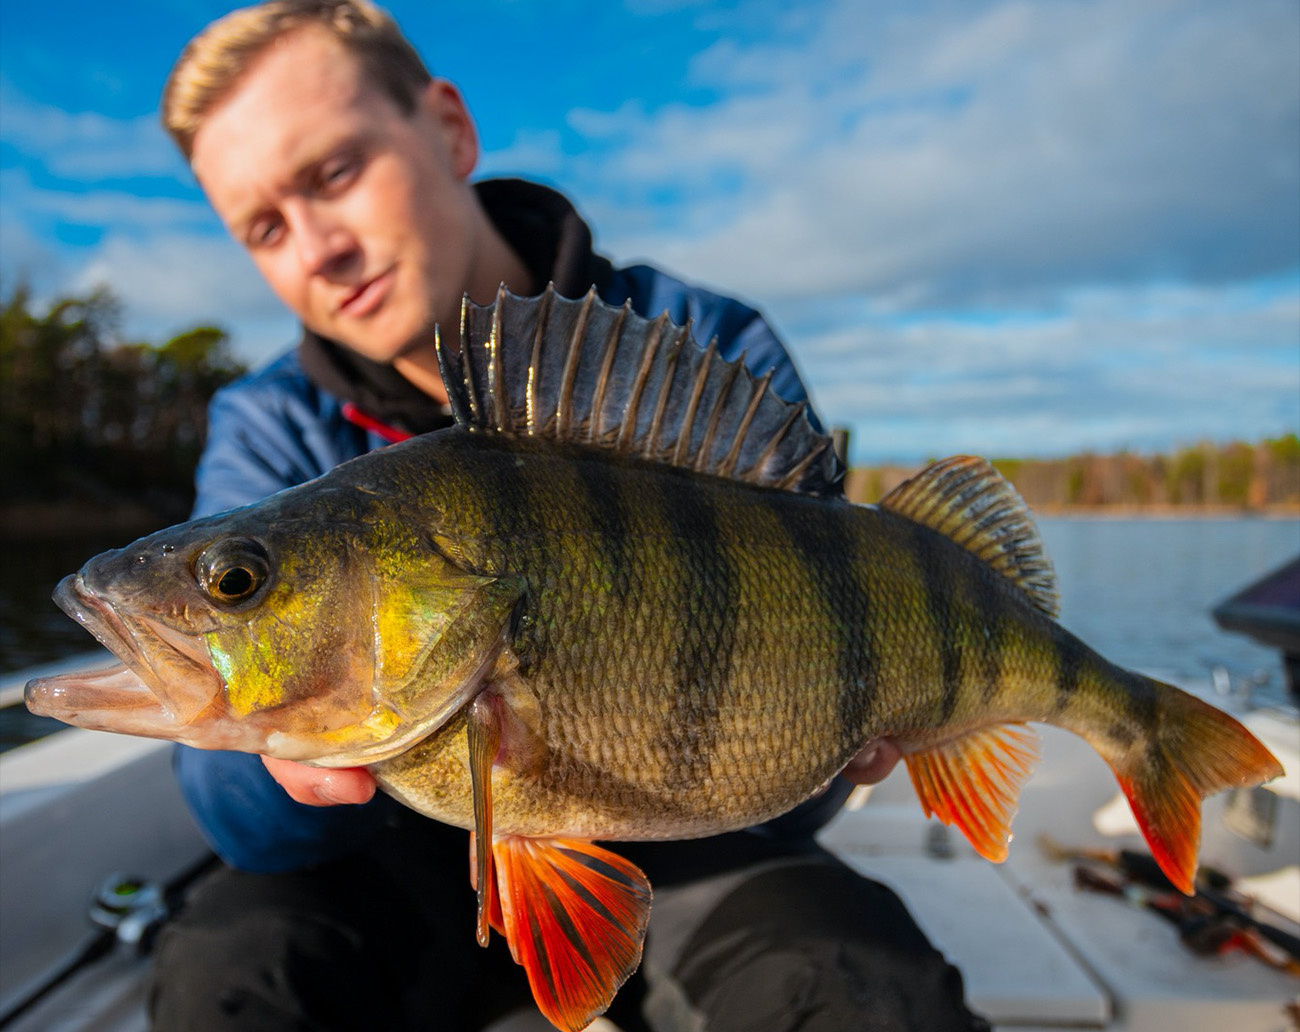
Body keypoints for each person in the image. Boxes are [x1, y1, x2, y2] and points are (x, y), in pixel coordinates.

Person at [149, 3, 990, 1030]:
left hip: (700, 840)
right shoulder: (273, 425)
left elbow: (812, 718)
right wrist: (279, 744)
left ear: (450, 131)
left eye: (333, 173)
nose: (317, 249)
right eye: (265, 228)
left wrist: (827, 728)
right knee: (228, 974)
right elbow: (237, 821)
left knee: (867, 996)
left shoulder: (699, 340)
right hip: (398, 856)